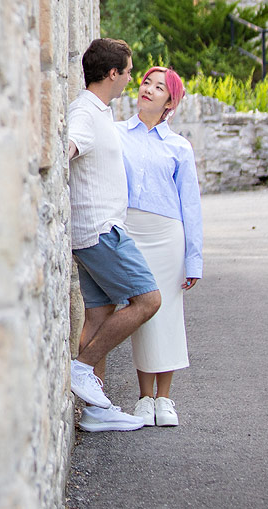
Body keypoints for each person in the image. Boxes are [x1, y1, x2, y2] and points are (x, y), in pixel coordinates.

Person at [67, 38, 162, 432]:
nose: (130, 78)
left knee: (102, 313)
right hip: (101, 231)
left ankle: (95, 409)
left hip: (95, 231)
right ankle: (81, 368)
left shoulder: (98, 111)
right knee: (148, 300)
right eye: (128, 71)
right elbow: (67, 148)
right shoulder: (86, 114)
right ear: (113, 73)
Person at [118, 67, 203, 428]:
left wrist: (193, 259)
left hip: (169, 235)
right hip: (131, 232)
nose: (149, 90)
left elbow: (191, 206)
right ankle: (143, 398)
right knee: (143, 312)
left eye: (159, 87)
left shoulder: (179, 147)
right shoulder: (117, 134)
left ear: (171, 101)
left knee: (167, 312)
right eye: (146, 83)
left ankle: (165, 398)